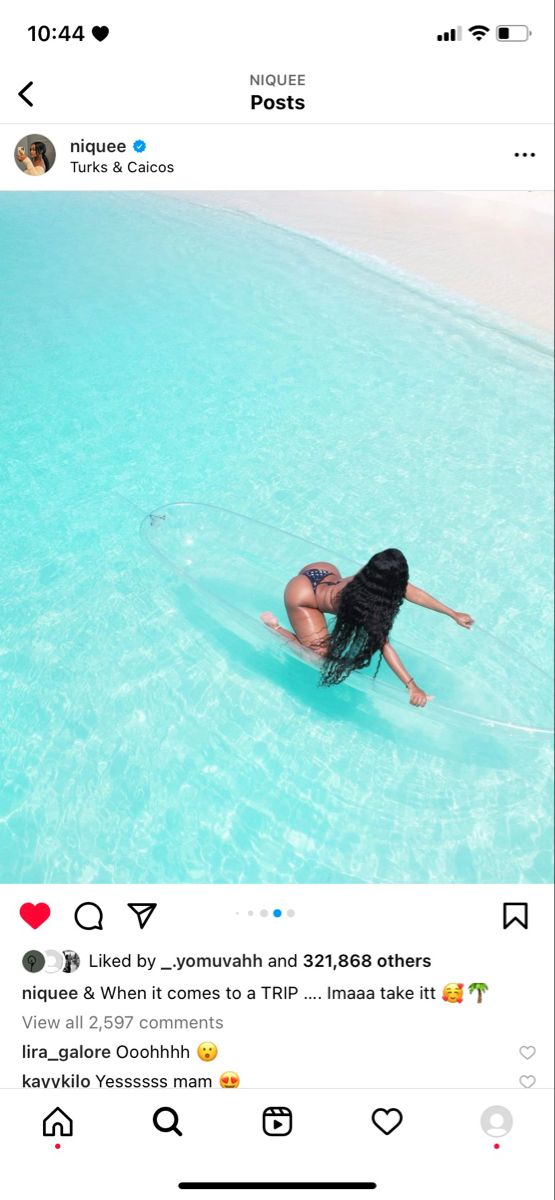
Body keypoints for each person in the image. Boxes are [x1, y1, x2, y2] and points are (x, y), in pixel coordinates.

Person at [261, 548, 474, 707]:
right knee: (318, 656)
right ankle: (275, 627)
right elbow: (383, 644)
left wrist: (453, 614)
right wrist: (411, 685)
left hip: (320, 571)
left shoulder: (370, 576)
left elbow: (412, 592)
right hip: (303, 597)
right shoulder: (361, 602)